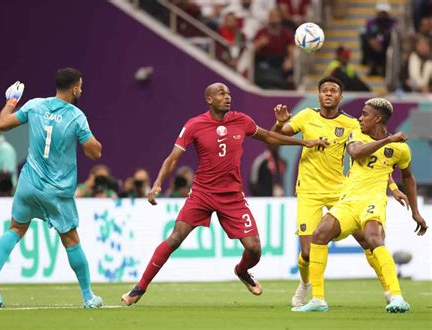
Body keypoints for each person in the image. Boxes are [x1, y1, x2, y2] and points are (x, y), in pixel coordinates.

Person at [120, 82, 328, 306]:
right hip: (202, 193)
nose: (227, 97)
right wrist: (158, 183)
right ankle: (139, 288)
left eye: (228, 93)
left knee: (254, 248)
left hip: (232, 196)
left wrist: (304, 142)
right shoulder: (194, 125)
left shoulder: (242, 121)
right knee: (175, 237)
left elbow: (269, 137)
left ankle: (242, 270)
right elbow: (173, 158)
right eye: (221, 94)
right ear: (209, 99)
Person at [272, 77, 408, 307]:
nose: (328, 93)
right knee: (307, 252)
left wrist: (393, 188)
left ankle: (389, 291)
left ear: (340, 97)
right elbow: (276, 138)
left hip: (341, 190)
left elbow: (375, 160)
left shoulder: (352, 124)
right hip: (309, 191)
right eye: (324, 90)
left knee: (368, 241)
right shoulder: (305, 116)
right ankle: (306, 286)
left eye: (333, 90)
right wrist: (279, 124)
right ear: (318, 95)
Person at [0, 68, 103, 308]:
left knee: (16, 228)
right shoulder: (76, 116)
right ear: (75, 88)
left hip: (28, 183)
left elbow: (3, 123)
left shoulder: (35, 105)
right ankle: (89, 297)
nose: (82, 89)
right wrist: (90, 139)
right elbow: (94, 152)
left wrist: (11, 101)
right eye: (81, 86)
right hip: (56, 190)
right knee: (70, 239)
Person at [292, 98, 428, 313]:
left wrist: (416, 211)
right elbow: (356, 153)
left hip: (373, 201)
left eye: (365, 114)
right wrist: (389, 139)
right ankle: (318, 299)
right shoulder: (357, 135)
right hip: (348, 201)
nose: (360, 118)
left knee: (374, 239)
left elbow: (408, 177)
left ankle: (396, 297)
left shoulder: (401, 150)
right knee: (319, 234)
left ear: (378, 118)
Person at [361, 2, 397, 76]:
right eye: (381, 12)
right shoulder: (371, 22)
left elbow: (393, 34)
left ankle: (384, 68)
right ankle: (373, 67)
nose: (382, 15)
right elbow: (366, 33)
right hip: (373, 47)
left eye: (384, 13)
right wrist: (371, 41)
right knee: (365, 39)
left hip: (386, 46)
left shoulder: (392, 22)